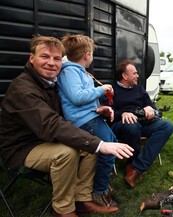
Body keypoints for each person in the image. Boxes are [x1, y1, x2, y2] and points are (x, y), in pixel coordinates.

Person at [0, 35, 134, 217]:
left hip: (43, 139)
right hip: (22, 147)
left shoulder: (49, 83)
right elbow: (51, 124)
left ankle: (82, 199)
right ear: (32, 58)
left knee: (89, 148)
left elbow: (66, 111)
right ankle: (63, 210)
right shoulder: (24, 89)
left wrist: (99, 110)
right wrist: (101, 144)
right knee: (68, 153)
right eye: (45, 56)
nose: (51, 63)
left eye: (56, 58)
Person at [56, 34, 118, 208]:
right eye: (92, 53)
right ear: (87, 55)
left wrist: (98, 107)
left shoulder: (78, 71)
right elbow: (77, 97)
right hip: (83, 120)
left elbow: (83, 98)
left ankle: (101, 180)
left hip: (90, 116)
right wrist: (101, 89)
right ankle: (99, 191)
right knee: (109, 150)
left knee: (112, 141)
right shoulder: (70, 71)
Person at [110, 60, 173, 188]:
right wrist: (122, 114)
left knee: (167, 126)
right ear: (124, 76)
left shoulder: (139, 89)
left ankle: (136, 167)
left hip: (142, 123)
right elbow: (106, 112)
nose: (137, 76)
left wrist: (150, 109)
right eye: (134, 73)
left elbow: (152, 107)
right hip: (120, 124)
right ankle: (134, 162)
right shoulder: (111, 90)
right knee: (132, 125)